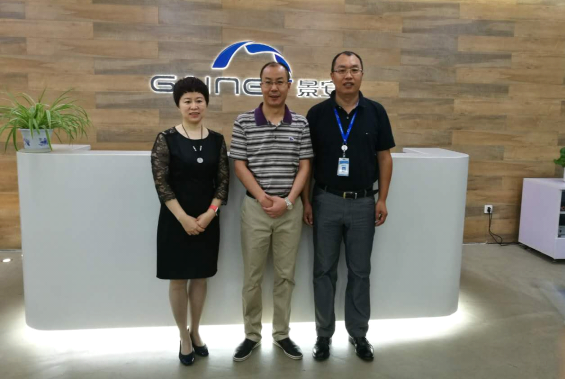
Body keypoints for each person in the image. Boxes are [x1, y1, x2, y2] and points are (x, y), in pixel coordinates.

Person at [302, 51, 395, 362]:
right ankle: (323, 335)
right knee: (323, 271)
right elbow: (307, 162)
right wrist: (306, 200)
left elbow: (385, 158)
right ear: (331, 76)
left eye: (354, 69)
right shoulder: (316, 114)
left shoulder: (375, 112)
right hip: (325, 201)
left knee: (360, 272)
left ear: (362, 75)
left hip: (363, 203)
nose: (348, 75)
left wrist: (382, 198)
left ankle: (358, 334)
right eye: (341, 70)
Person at [229, 61, 313, 362]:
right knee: (252, 277)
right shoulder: (243, 121)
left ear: (288, 85)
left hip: (290, 210)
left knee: (285, 276)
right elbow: (239, 165)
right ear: (260, 85)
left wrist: (288, 201)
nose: (274, 88)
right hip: (255, 209)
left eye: (279, 82)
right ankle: (251, 335)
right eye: (268, 82)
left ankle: (282, 334)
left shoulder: (301, 124)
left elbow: (305, 166)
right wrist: (263, 198)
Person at [151, 77, 229, 366]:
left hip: (207, 219)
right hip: (175, 220)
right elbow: (161, 184)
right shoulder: (166, 138)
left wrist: (210, 214)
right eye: (187, 101)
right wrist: (183, 218)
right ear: (178, 105)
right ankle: (183, 335)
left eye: (199, 100)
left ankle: (196, 330)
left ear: (206, 103)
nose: (194, 106)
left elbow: (223, 182)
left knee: (200, 277)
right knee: (178, 279)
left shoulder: (217, 140)